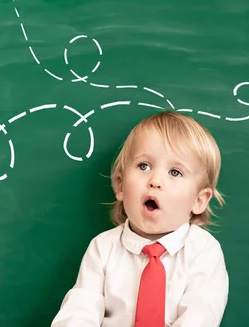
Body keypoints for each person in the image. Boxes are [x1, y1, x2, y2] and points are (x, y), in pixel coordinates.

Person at [50, 111, 229, 327]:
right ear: (120, 185)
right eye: (144, 166)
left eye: (174, 172)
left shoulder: (203, 251)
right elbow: (80, 310)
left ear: (199, 200)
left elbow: (200, 316)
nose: (155, 180)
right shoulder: (103, 248)